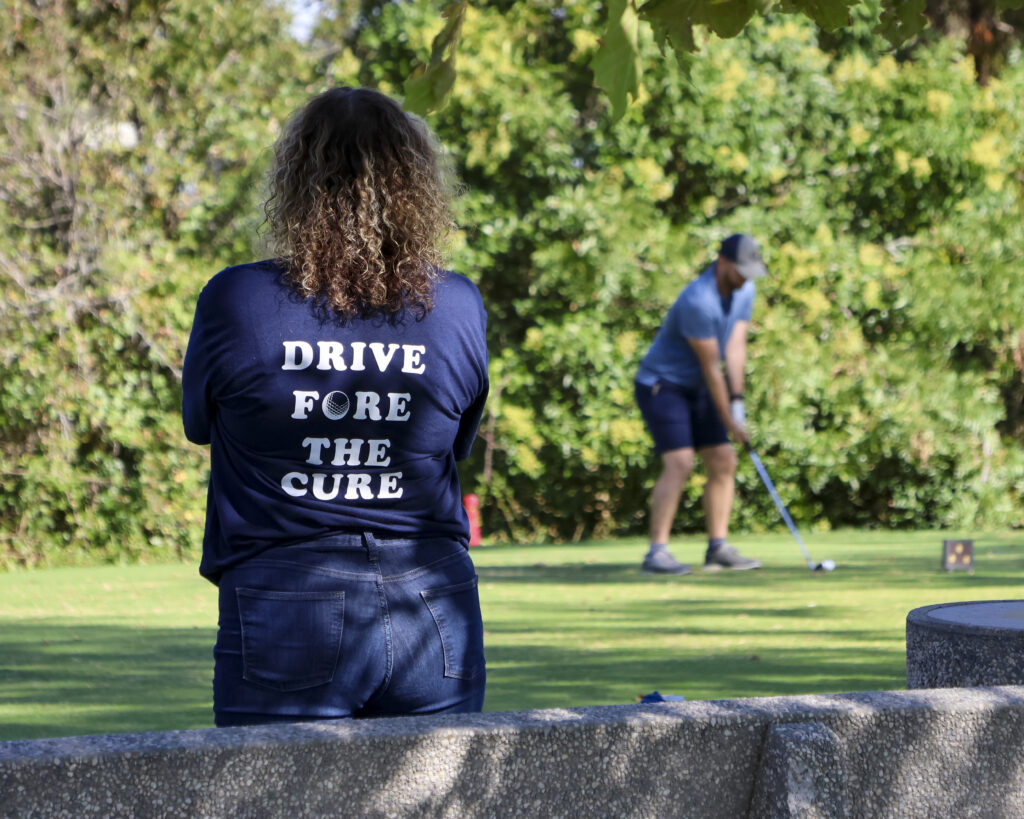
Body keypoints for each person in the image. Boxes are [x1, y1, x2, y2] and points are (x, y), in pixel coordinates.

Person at [181, 87, 489, 725]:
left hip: (285, 598)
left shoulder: (236, 299)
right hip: (433, 597)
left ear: (296, 182)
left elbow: (198, 424)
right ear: (418, 187)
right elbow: (453, 444)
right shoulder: (458, 305)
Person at [634, 233, 768, 575]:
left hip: (697, 386)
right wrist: (729, 421)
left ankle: (718, 548)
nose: (745, 278)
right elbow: (711, 367)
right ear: (722, 263)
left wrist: (737, 405)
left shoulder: (745, 289)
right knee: (680, 462)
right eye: (740, 270)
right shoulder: (698, 300)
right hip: (662, 385)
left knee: (723, 460)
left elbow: (735, 348)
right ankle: (656, 552)